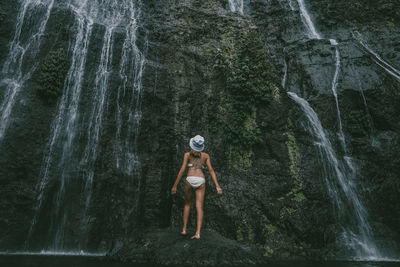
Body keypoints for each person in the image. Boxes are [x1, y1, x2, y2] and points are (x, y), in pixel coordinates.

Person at [171, 135, 222, 239]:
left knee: (187, 204)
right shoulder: (206, 156)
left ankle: (184, 229)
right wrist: (218, 186)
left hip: (189, 179)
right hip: (200, 180)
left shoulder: (187, 155)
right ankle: (198, 233)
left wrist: (175, 186)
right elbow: (211, 170)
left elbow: (182, 170)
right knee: (199, 207)